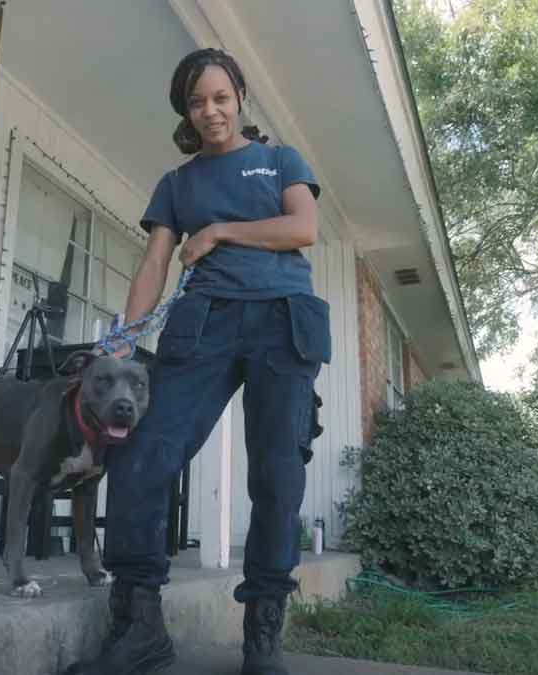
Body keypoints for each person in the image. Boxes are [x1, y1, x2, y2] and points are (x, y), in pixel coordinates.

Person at [63, 48, 330, 675]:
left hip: (281, 321)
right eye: (196, 101)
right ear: (185, 109)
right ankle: (139, 624)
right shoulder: (178, 184)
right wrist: (124, 336)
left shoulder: (278, 160)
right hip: (201, 327)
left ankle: (263, 633)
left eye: (220, 97)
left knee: (276, 474)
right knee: (140, 454)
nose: (209, 110)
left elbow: (303, 227)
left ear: (239, 96)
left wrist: (217, 233)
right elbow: (155, 262)